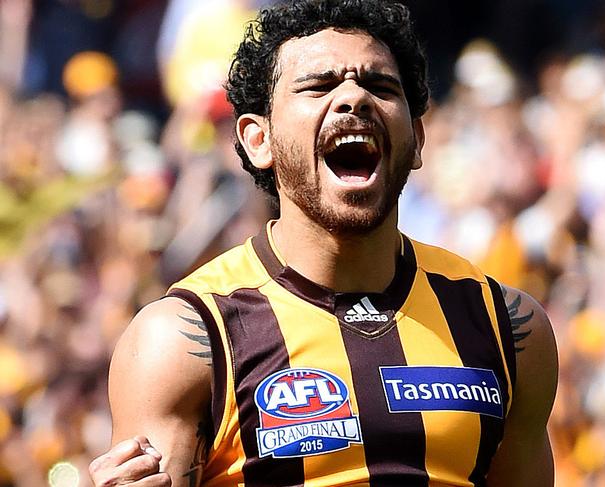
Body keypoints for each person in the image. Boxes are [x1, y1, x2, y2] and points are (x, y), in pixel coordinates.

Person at [88, 0, 558, 485]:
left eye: (379, 86)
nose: (354, 99)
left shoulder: (506, 326)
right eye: (319, 85)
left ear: (417, 139)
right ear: (258, 139)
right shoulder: (186, 337)